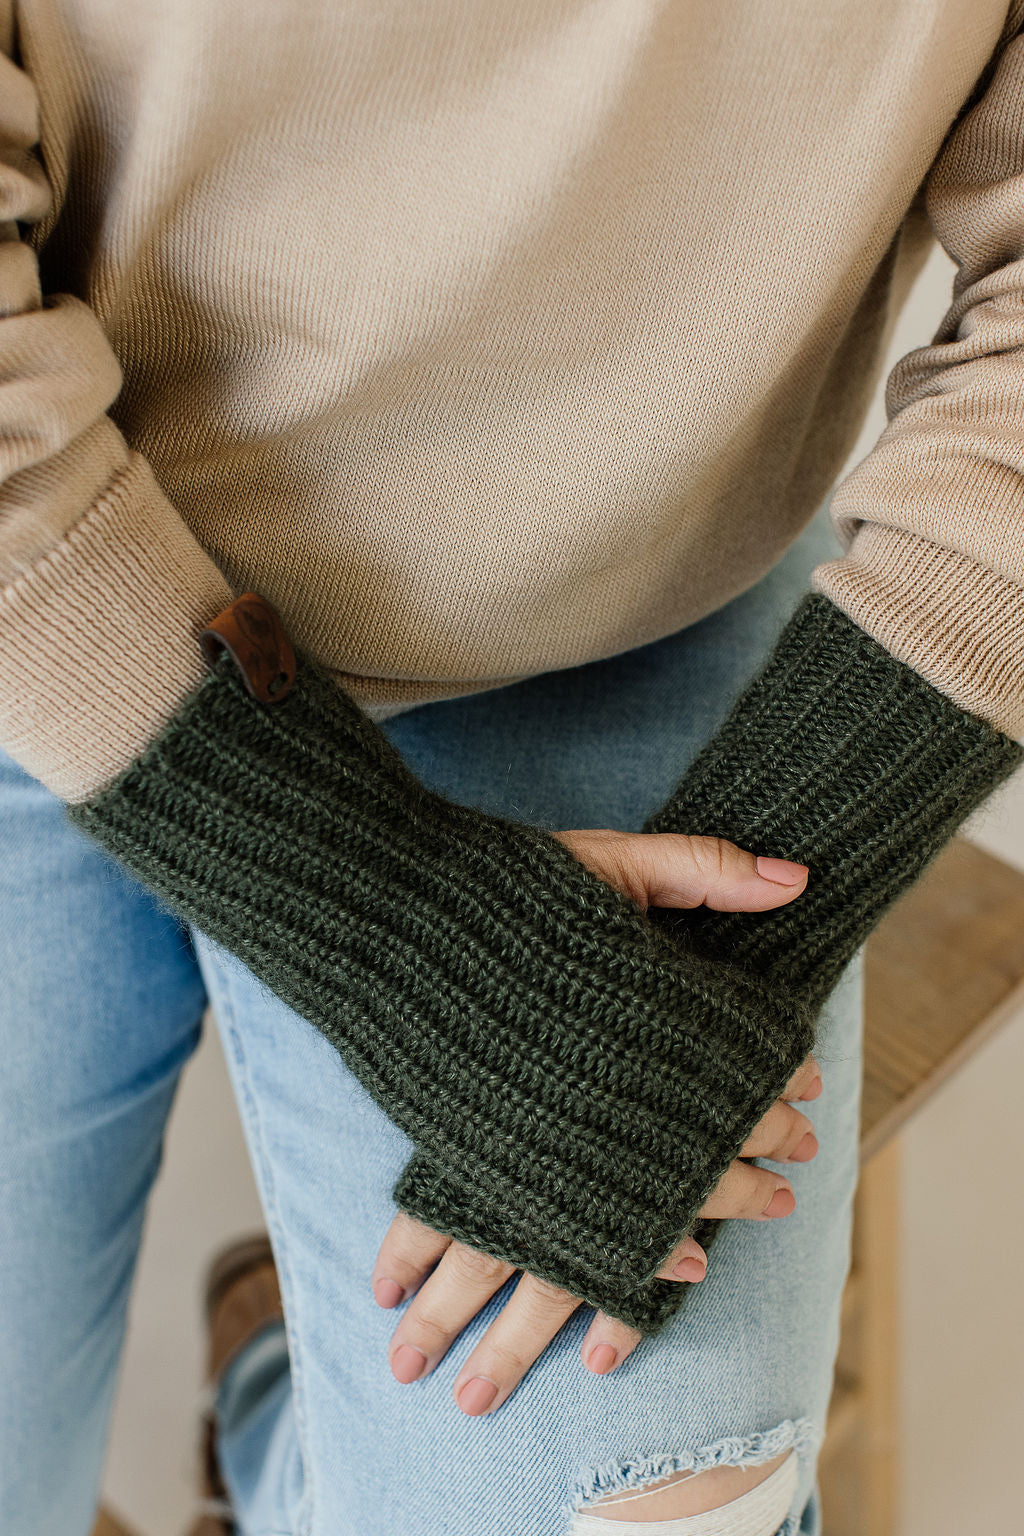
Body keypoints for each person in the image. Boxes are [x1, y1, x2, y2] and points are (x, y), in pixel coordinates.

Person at [2, 3, 1024, 1534]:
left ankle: (283, 1393)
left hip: (608, 603)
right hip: (37, 546)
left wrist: (713, 956)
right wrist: (385, 924)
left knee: (644, 1509)